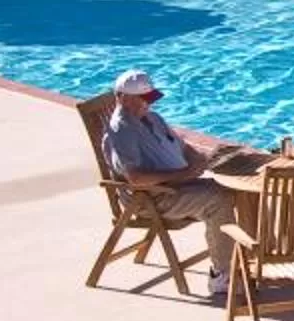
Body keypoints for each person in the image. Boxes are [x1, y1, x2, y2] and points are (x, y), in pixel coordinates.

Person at [101, 69, 238, 293]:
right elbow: (135, 178)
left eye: (150, 98)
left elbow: (183, 147)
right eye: (142, 99)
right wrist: (182, 174)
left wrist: (201, 159)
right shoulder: (122, 131)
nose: (147, 104)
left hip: (179, 185)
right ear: (122, 98)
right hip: (153, 197)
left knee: (233, 189)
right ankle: (221, 275)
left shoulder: (152, 118)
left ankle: (243, 259)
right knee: (218, 200)